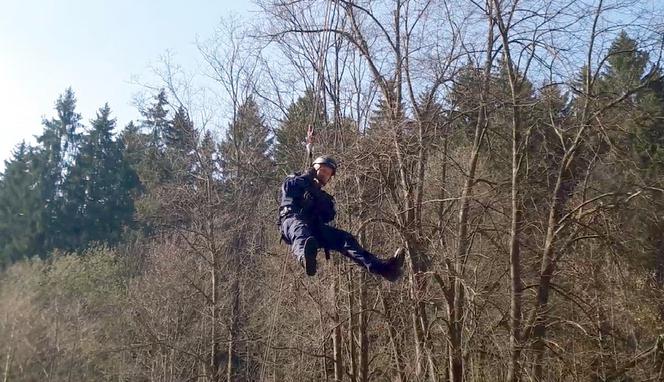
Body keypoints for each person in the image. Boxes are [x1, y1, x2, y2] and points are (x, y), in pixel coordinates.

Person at [278, 155, 405, 282]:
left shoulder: (323, 196)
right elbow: (289, 187)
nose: (324, 174)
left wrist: (316, 195)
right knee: (300, 229)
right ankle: (305, 257)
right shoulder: (295, 179)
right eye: (322, 170)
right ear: (314, 168)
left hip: (314, 227)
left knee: (345, 240)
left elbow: (329, 215)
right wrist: (307, 178)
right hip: (291, 220)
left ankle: (385, 269)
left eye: (328, 173)